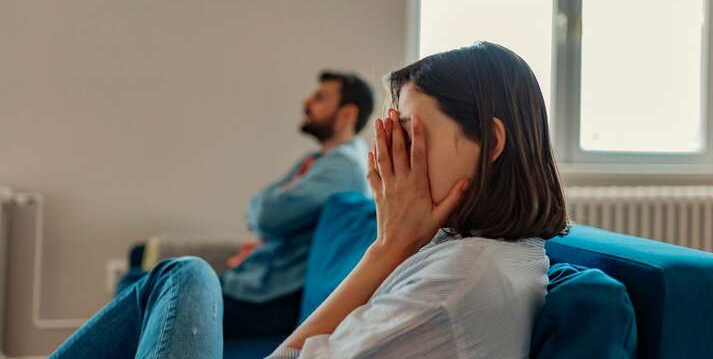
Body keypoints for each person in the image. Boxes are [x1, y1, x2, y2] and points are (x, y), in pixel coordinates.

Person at [50, 42, 568, 359]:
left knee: (182, 275)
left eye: (408, 134)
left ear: (491, 144)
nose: (390, 159)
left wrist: (385, 251)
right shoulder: (479, 249)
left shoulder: (457, 283)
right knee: (179, 277)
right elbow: (262, 210)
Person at [116, 71, 375, 338]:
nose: (307, 102)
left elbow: (264, 215)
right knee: (138, 277)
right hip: (255, 284)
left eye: (320, 97)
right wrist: (269, 210)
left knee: (138, 288)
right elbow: (257, 209)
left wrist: (270, 209)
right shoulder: (317, 161)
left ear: (347, 114)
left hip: (270, 298)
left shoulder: (344, 167)